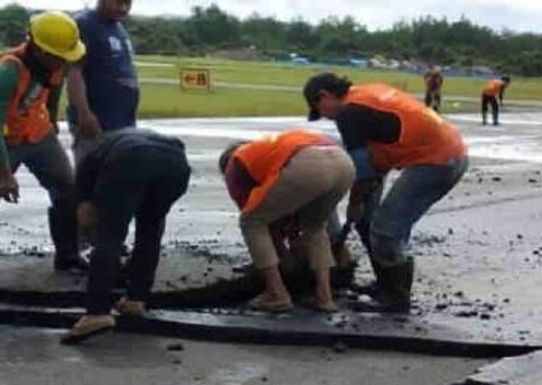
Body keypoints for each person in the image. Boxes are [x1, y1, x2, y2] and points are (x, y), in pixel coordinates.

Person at [303, 73, 469, 313]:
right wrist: (362, 206)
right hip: (449, 153)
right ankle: (386, 283)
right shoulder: (368, 93)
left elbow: (361, 169)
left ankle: (395, 298)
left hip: (438, 161)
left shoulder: (349, 112)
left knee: (386, 229)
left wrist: (355, 203)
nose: (325, 118)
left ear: (324, 96)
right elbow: (380, 151)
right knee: (372, 221)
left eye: (320, 110)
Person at [0, 11, 88, 282]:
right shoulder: (7, 71)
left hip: (38, 132)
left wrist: (52, 121)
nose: (63, 62)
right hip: (3, 137)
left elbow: (55, 87)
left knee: (66, 188)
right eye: (58, 56)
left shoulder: (55, 64)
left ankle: (68, 255)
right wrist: (5, 174)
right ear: (39, 50)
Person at [62, 129, 191, 344]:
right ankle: (136, 298)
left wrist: (91, 227)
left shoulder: (84, 176)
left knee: (110, 236)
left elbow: (87, 216)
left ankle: (97, 312)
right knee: (150, 229)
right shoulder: (108, 146)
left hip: (130, 160)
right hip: (175, 165)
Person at [219, 130, 355, 313]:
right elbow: (289, 209)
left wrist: (283, 258)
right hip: (343, 162)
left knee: (251, 222)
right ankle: (324, 297)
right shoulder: (271, 151)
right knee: (315, 227)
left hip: (310, 163)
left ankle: (277, 294)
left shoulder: (235, 164)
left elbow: (261, 221)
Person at [66, 0, 138, 165]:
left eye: (127, 4)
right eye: (118, 3)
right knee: (91, 179)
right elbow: (74, 72)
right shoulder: (84, 25)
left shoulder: (119, 29)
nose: (123, 9)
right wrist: (84, 114)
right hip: (97, 123)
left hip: (122, 122)